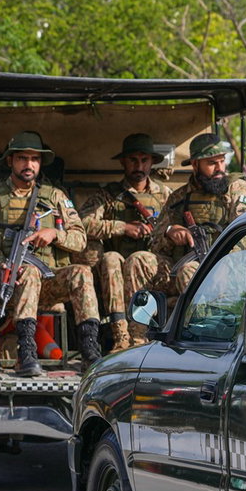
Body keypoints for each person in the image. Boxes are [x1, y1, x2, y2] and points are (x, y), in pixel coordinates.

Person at [0, 131, 100, 376]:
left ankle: (90, 351)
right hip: (7, 282)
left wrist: (55, 234)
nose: (29, 164)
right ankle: (26, 353)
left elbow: (80, 238)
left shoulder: (54, 197)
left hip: (49, 281)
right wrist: (2, 263)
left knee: (82, 273)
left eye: (34, 159)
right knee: (29, 271)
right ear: (11, 161)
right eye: (22, 158)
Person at [81, 132, 173, 351]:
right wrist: (122, 228)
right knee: (111, 258)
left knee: (139, 260)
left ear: (152, 162)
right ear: (123, 161)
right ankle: (121, 333)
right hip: (118, 272)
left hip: (156, 267)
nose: (139, 166)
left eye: (144, 160)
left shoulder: (166, 195)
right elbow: (83, 223)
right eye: (133, 160)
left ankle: (139, 334)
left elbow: (176, 228)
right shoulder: (110, 195)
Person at [148, 131, 246, 296]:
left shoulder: (238, 189)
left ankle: (200, 320)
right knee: (139, 260)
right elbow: (154, 241)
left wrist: (224, 263)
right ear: (195, 165)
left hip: (231, 267)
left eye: (222, 161)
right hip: (184, 264)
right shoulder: (179, 197)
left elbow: (245, 236)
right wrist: (170, 232)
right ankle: (133, 321)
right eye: (212, 163)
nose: (220, 168)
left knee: (188, 271)